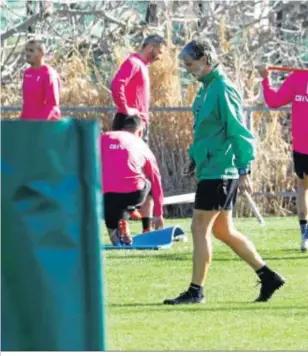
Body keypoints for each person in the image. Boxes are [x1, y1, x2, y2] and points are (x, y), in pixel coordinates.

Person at [163, 39, 285, 305]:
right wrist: (195, 159)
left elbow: (238, 131)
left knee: (198, 227)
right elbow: (206, 131)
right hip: (211, 168)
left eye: (190, 64)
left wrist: (244, 168)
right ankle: (268, 276)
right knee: (223, 231)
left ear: (206, 59)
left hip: (222, 170)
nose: (187, 70)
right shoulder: (206, 89)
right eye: (185, 65)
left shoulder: (223, 88)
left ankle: (196, 291)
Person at [257, 65, 308, 253]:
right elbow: (274, 101)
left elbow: (273, 101)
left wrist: (265, 79)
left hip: (302, 144)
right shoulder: (296, 78)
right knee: (303, 187)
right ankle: (306, 235)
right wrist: (265, 79)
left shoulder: (296, 77)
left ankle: (306, 235)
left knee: (304, 187)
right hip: (302, 145)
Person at [101, 115, 164, 245]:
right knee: (148, 182)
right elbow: (156, 179)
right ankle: (146, 227)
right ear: (140, 132)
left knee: (116, 240)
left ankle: (119, 225)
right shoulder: (141, 145)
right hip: (134, 193)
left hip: (106, 196)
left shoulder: (103, 137)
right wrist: (159, 214)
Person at [110, 34, 166, 143]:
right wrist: (125, 108)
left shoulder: (142, 65)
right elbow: (117, 84)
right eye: (159, 52)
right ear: (150, 48)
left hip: (138, 123)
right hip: (130, 123)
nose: (160, 58)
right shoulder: (133, 63)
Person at [20, 39, 61, 121]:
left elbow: (52, 104)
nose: (27, 54)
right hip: (29, 124)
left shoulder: (48, 74)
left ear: (42, 54)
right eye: (27, 50)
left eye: (31, 51)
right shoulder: (27, 73)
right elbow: (27, 103)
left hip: (46, 125)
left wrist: (39, 123)